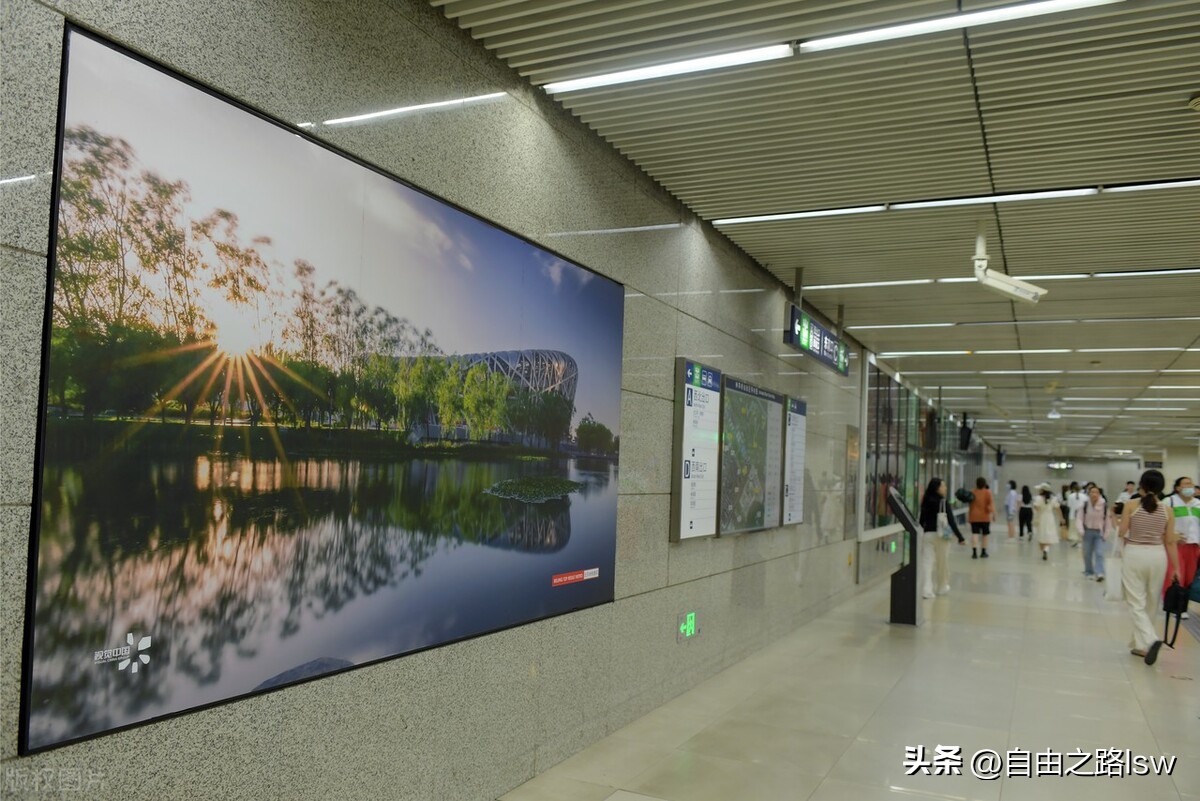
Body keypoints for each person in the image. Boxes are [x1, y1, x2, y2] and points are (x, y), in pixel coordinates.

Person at [1120, 470, 1180, 665]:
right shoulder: (1167, 510)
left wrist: (1117, 520)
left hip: (1135, 554)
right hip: (1158, 555)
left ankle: (1150, 639)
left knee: (1135, 601)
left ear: (1142, 486)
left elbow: (1122, 532)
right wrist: (1176, 568)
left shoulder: (1131, 505)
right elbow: (1170, 541)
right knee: (1152, 600)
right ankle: (1141, 645)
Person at [919, 478, 965, 598]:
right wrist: (960, 537)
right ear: (937, 488)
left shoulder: (926, 500)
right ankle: (941, 587)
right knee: (942, 562)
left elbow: (921, 519)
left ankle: (926, 589)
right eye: (943, 486)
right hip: (942, 536)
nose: (945, 488)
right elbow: (951, 521)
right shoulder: (943, 502)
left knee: (927, 563)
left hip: (928, 535)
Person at [1163, 476, 1199, 619]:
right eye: (1186, 484)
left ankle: (1183, 607)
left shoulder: (1198, 504)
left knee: (1190, 577)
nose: (1189, 486)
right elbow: (1162, 523)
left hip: (1193, 545)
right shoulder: (1169, 502)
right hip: (1175, 545)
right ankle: (1175, 607)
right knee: (1177, 574)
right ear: (1178, 487)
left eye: (1191, 483)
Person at [1076, 485, 1108, 581]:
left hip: (1099, 532)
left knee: (1099, 553)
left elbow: (1107, 521)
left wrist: (1106, 534)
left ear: (1099, 494)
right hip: (1087, 532)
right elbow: (1079, 518)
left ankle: (1100, 572)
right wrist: (1081, 531)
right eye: (1092, 492)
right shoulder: (1084, 505)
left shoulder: (1104, 505)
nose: (1094, 494)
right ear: (1089, 494)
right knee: (1087, 553)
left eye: (1096, 492)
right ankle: (1089, 571)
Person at [968, 477, 995, 559]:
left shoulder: (972, 492)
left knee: (975, 534)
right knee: (985, 535)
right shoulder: (987, 492)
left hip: (973, 516)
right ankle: (983, 552)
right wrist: (993, 514)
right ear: (984, 484)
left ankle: (974, 552)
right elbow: (990, 504)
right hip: (985, 517)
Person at [1033, 482, 1060, 560]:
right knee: (1049, 536)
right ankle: (1046, 549)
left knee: (1041, 536)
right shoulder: (1053, 498)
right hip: (1050, 517)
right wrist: (1061, 518)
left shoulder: (1038, 498)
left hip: (1041, 517)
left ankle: (1043, 550)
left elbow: (1036, 508)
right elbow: (1058, 508)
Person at [1065, 481, 1086, 547]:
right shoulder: (1084, 496)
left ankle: (1076, 541)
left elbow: (1069, 505)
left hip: (1073, 514)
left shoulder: (1070, 496)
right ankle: (1080, 541)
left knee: (1074, 528)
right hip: (1082, 515)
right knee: (1081, 527)